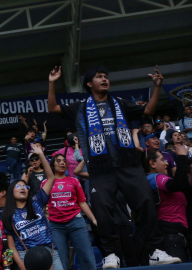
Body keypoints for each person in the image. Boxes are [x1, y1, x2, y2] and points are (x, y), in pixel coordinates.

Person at [48, 65, 181, 267]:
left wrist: (157, 87)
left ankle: (155, 250)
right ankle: (110, 254)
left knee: (145, 203)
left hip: (128, 165)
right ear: (89, 83)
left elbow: (149, 110)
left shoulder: (120, 103)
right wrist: (51, 83)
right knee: (102, 211)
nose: (104, 79)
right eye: (99, 77)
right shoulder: (81, 107)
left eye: (106, 77)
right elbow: (53, 108)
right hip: (100, 170)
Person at [1, 144, 62, 270]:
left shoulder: (37, 201)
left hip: (50, 251)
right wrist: (23, 266)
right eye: (19, 186)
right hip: (26, 254)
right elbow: (11, 246)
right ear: (11, 191)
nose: (23, 188)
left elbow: (51, 178)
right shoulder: (7, 214)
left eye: (25, 186)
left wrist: (41, 155)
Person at [41, 154, 97, 270]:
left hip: (76, 221)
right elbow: (42, 205)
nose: (62, 163)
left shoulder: (74, 181)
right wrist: (43, 223)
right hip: (55, 226)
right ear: (52, 164)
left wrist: (93, 219)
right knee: (60, 261)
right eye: (58, 161)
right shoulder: (45, 182)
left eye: (64, 161)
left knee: (86, 256)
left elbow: (82, 202)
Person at [142, 145, 190, 263]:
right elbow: (177, 184)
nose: (166, 163)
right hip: (170, 234)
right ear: (152, 164)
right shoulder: (155, 178)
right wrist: (182, 157)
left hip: (176, 233)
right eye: (162, 160)